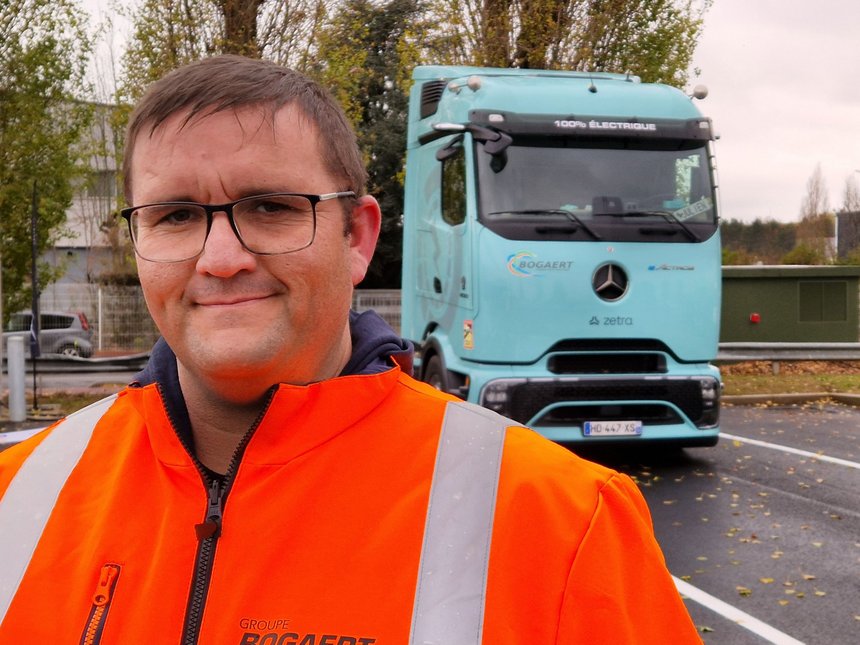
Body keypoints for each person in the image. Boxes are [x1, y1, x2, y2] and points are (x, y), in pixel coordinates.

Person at [0, 55, 701, 643]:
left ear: (358, 238)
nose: (220, 257)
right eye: (176, 215)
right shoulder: (16, 496)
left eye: (269, 206)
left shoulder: (566, 526)